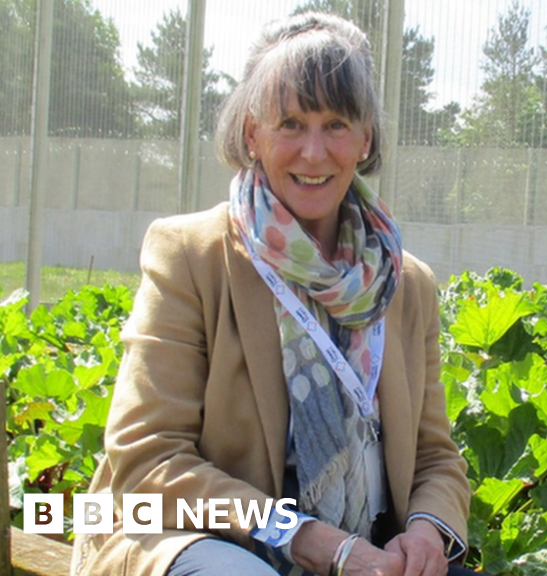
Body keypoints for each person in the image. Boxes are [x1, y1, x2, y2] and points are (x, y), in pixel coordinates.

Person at [70, 12, 472, 576]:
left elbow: (435, 458)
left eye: (336, 123)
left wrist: (428, 532)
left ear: (366, 139)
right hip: (200, 537)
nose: (313, 151)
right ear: (252, 133)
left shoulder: (406, 285)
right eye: (290, 123)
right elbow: (148, 459)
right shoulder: (191, 254)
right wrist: (308, 538)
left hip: (369, 554)